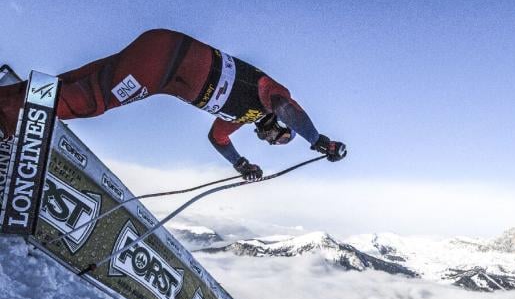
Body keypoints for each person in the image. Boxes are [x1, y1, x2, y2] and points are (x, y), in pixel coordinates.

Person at [0, 29, 347, 179]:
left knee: (81, 81)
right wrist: (318, 141)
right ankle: (8, 121)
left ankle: (11, 99)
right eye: (279, 138)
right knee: (91, 101)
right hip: (165, 62)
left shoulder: (243, 116)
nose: (272, 140)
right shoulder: (271, 96)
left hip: (162, 65)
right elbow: (288, 108)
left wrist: (241, 164)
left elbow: (218, 139)